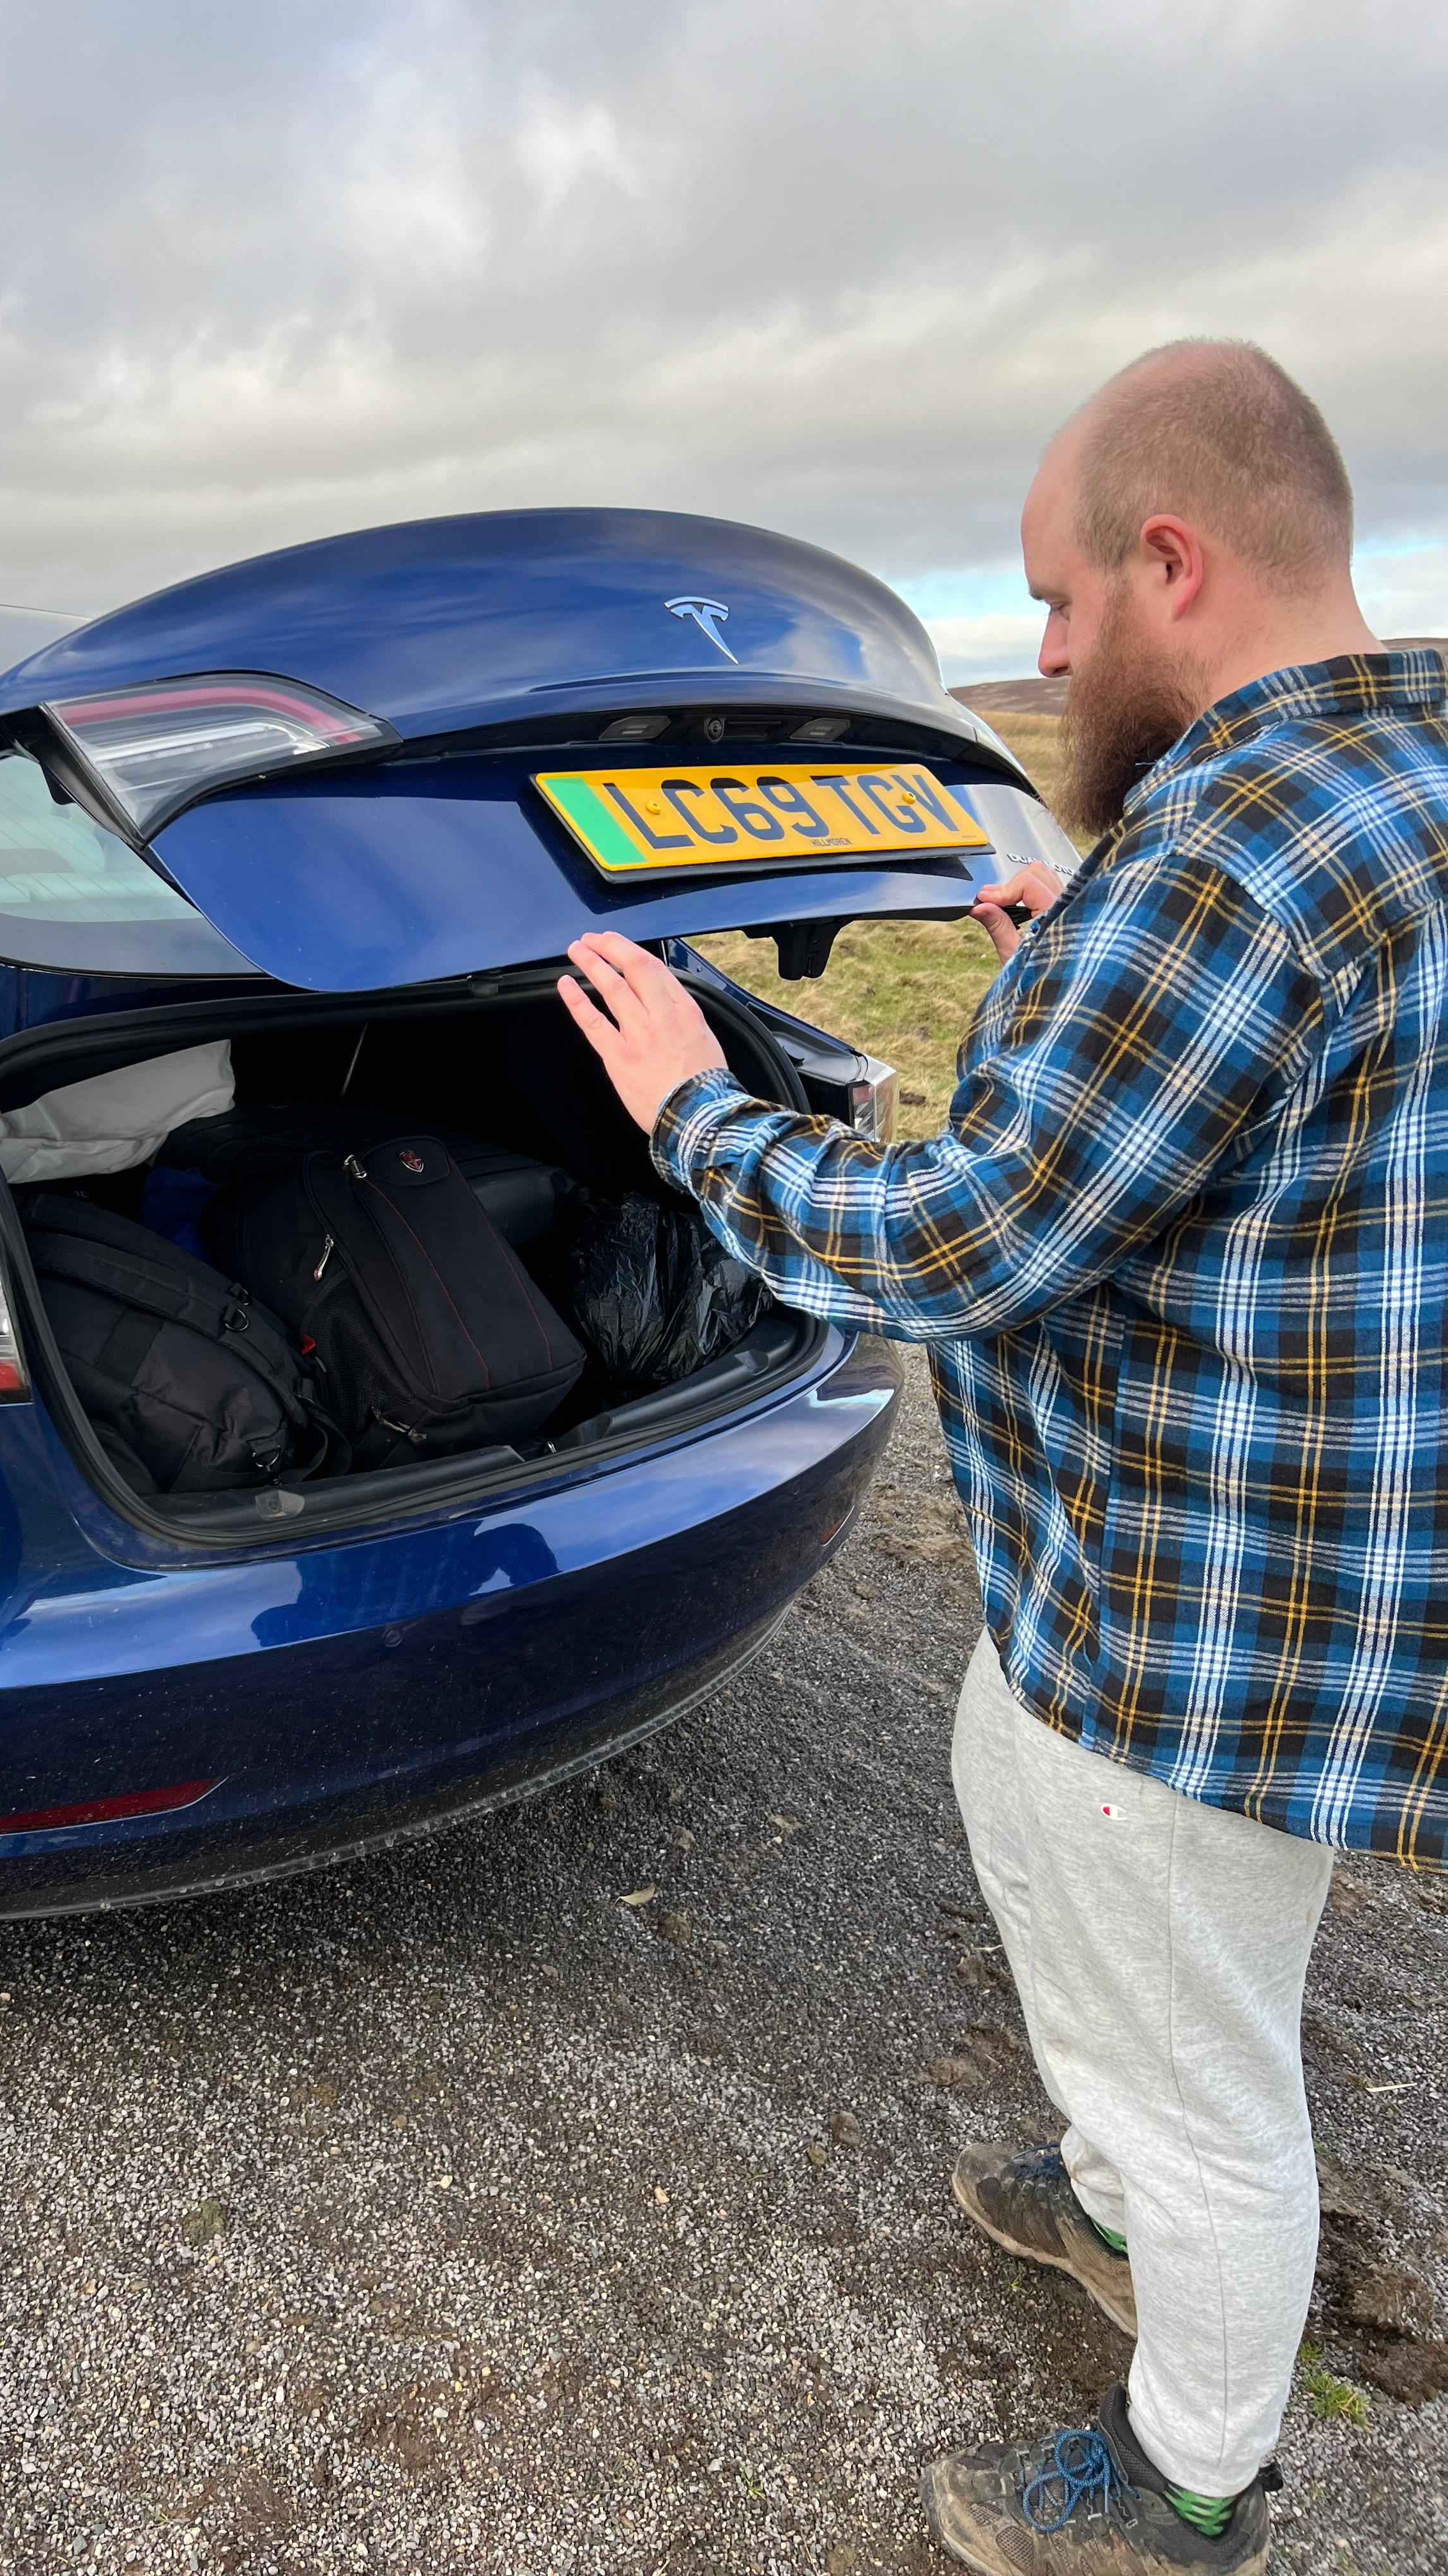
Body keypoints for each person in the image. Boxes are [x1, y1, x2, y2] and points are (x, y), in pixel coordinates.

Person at [558, 340, 1448, 2575]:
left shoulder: (1231, 856)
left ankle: (1192, 2481)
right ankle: (1121, 2195)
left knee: (1204, 2059)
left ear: (1177, 561)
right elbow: (1303, 1062)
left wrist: (690, 1105)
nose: (1040, 655)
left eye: (1058, 604)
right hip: (1240, 1552)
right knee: (997, 1774)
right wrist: (1089, 963)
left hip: (1214, 1595)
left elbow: (964, 1243)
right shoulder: (1393, 772)